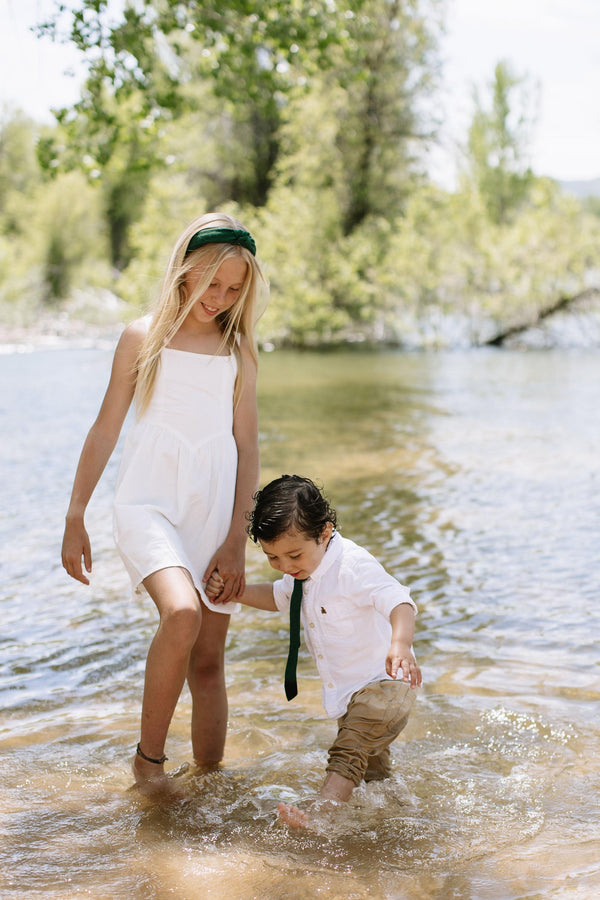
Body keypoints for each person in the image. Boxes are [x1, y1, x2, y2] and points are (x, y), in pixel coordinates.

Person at [61, 212, 268, 795]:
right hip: (146, 501)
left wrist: (237, 540)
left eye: (233, 289)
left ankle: (210, 787)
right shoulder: (142, 336)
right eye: (211, 283)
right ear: (183, 269)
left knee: (208, 661)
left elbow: (248, 448)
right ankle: (148, 766)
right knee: (181, 613)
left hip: (215, 512)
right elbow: (105, 428)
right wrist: (76, 514)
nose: (219, 298)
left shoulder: (239, 349)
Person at [206, 475, 421, 827]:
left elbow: (399, 601)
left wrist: (400, 644)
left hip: (385, 685)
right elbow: (279, 596)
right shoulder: (302, 573)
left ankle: (320, 818)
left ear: (324, 532)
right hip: (352, 697)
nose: (286, 566)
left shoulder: (353, 565)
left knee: (347, 752)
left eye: (294, 555)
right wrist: (235, 593)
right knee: (371, 774)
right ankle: (400, 816)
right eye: (273, 557)